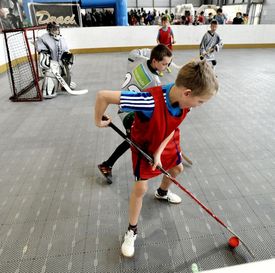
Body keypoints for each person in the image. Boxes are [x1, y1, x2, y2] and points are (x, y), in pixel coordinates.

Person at [95, 60, 219, 258]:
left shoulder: (186, 101)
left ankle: (162, 192)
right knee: (140, 189)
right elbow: (103, 96)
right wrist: (98, 119)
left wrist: (160, 152)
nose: (200, 106)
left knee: (177, 170)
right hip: (144, 144)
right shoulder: (148, 101)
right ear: (187, 93)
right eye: (201, 102)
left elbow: (172, 128)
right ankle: (131, 230)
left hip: (165, 139)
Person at [98, 44, 173, 183]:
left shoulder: (138, 59)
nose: (166, 67)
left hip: (124, 101)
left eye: (168, 64)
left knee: (131, 139)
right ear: (155, 61)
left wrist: (153, 52)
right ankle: (109, 165)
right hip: (128, 112)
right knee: (134, 139)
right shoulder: (154, 82)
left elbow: (134, 51)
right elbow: (157, 105)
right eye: (164, 64)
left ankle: (107, 164)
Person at [36, 22, 76, 99]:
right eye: (54, 29)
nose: (57, 30)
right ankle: (47, 90)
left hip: (60, 63)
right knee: (51, 73)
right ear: (49, 30)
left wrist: (68, 61)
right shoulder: (43, 38)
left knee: (67, 70)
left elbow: (66, 51)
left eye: (57, 29)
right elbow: (43, 53)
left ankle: (65, 85)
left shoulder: (62, 38)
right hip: (51, 65)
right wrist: (48, 63)